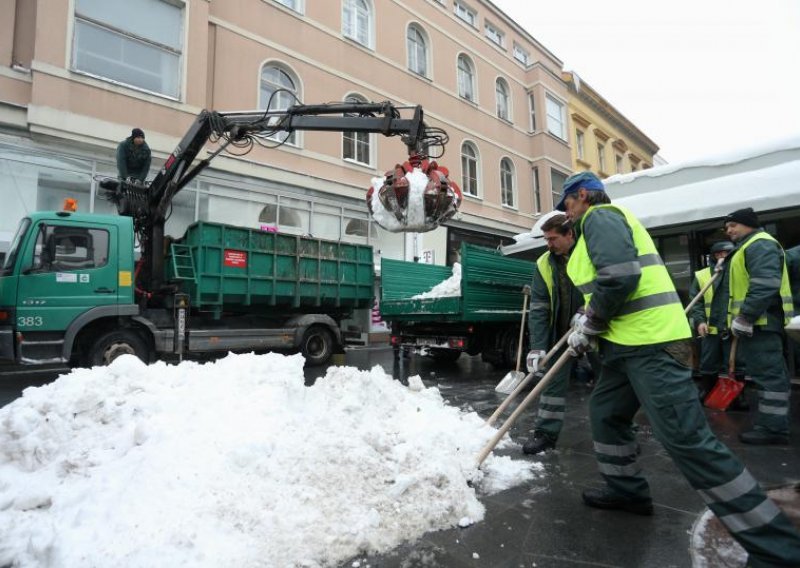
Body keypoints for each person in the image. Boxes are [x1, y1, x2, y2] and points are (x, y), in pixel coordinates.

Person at [556, 172, 800, 566]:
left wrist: (594, 321)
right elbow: (606, 285)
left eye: (566, 204)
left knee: (688, 440)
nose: (565, 214)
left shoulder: (600, 218)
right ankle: (626, 489)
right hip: (624, 346)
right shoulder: (591, 232)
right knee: (605, 415)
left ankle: (778, 548)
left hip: (651, 345)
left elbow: (620, 278)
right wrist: (586, 316)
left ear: (582, 195)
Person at [724, 207, 795, 445]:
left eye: (733, 225)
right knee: (769, 375)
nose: (729, 230)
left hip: (760, 324)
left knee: (770, 376)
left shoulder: (760, 244)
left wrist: (746, 317)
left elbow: (765, 284)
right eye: (727, 227)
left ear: (748, 224)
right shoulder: (748, 247)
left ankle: (773, 429)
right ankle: (771, 424)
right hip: (758, 324)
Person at [522, 213, 585, 455]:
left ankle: (624, 432)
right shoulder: (544, 263)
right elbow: (538, 307)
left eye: (553, 238)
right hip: (560, 334)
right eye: (546, 239)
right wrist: (537, 346)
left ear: (570, 234)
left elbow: (604, 288)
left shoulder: (589, 253)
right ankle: (545, 434)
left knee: (610, 384)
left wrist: (588, 314)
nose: (548, 244)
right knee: (551, 384)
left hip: (597, 330)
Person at [687, 240, 735, 399]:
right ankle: (707, 391)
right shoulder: (702, 275)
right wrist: (700, 321)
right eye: (718, 254)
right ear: (713, 257)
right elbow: (696, 302)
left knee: (735, 364)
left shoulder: (739, 272)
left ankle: (736, 396)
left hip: (733, 328)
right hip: (710, 329)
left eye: (726, 253)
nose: (722, 256)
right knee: (708, 364)